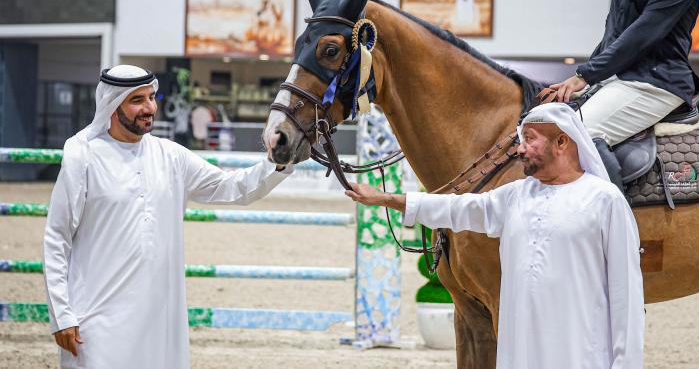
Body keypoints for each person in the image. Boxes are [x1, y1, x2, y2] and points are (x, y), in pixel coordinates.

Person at [346, 103, 645, 369]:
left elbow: (626, 296)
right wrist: (386, 199)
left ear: (562, 142)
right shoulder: (516, 195)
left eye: (529, 139)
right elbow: (456, 208)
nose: (519, 149)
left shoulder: (605, 200)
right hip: (521, 353)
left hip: (581, 354)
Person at [43, 65, 293, 369]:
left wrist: (277, 161)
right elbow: (57, 238)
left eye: (151, 97)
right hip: (95, 318)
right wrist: (62, 314)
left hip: (159, 318)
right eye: (137, 100)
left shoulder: (171, 156)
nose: (149, 108)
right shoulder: (83, 156)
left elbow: (233, 187)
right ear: (112, 104)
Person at [549, 0, 699, 188]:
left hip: (654, 81)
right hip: (617, 77)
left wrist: (586, 74)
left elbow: (646, 30)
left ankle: (614, 226)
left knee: (577, 135)